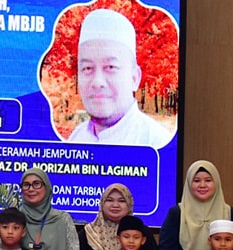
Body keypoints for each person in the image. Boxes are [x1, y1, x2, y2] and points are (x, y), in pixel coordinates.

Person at [67, 8, 172, 148]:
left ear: (134, 78)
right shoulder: (76, 138)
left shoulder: (157, 144)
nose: (97, 82)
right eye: (87, 68)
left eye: (110, 67)